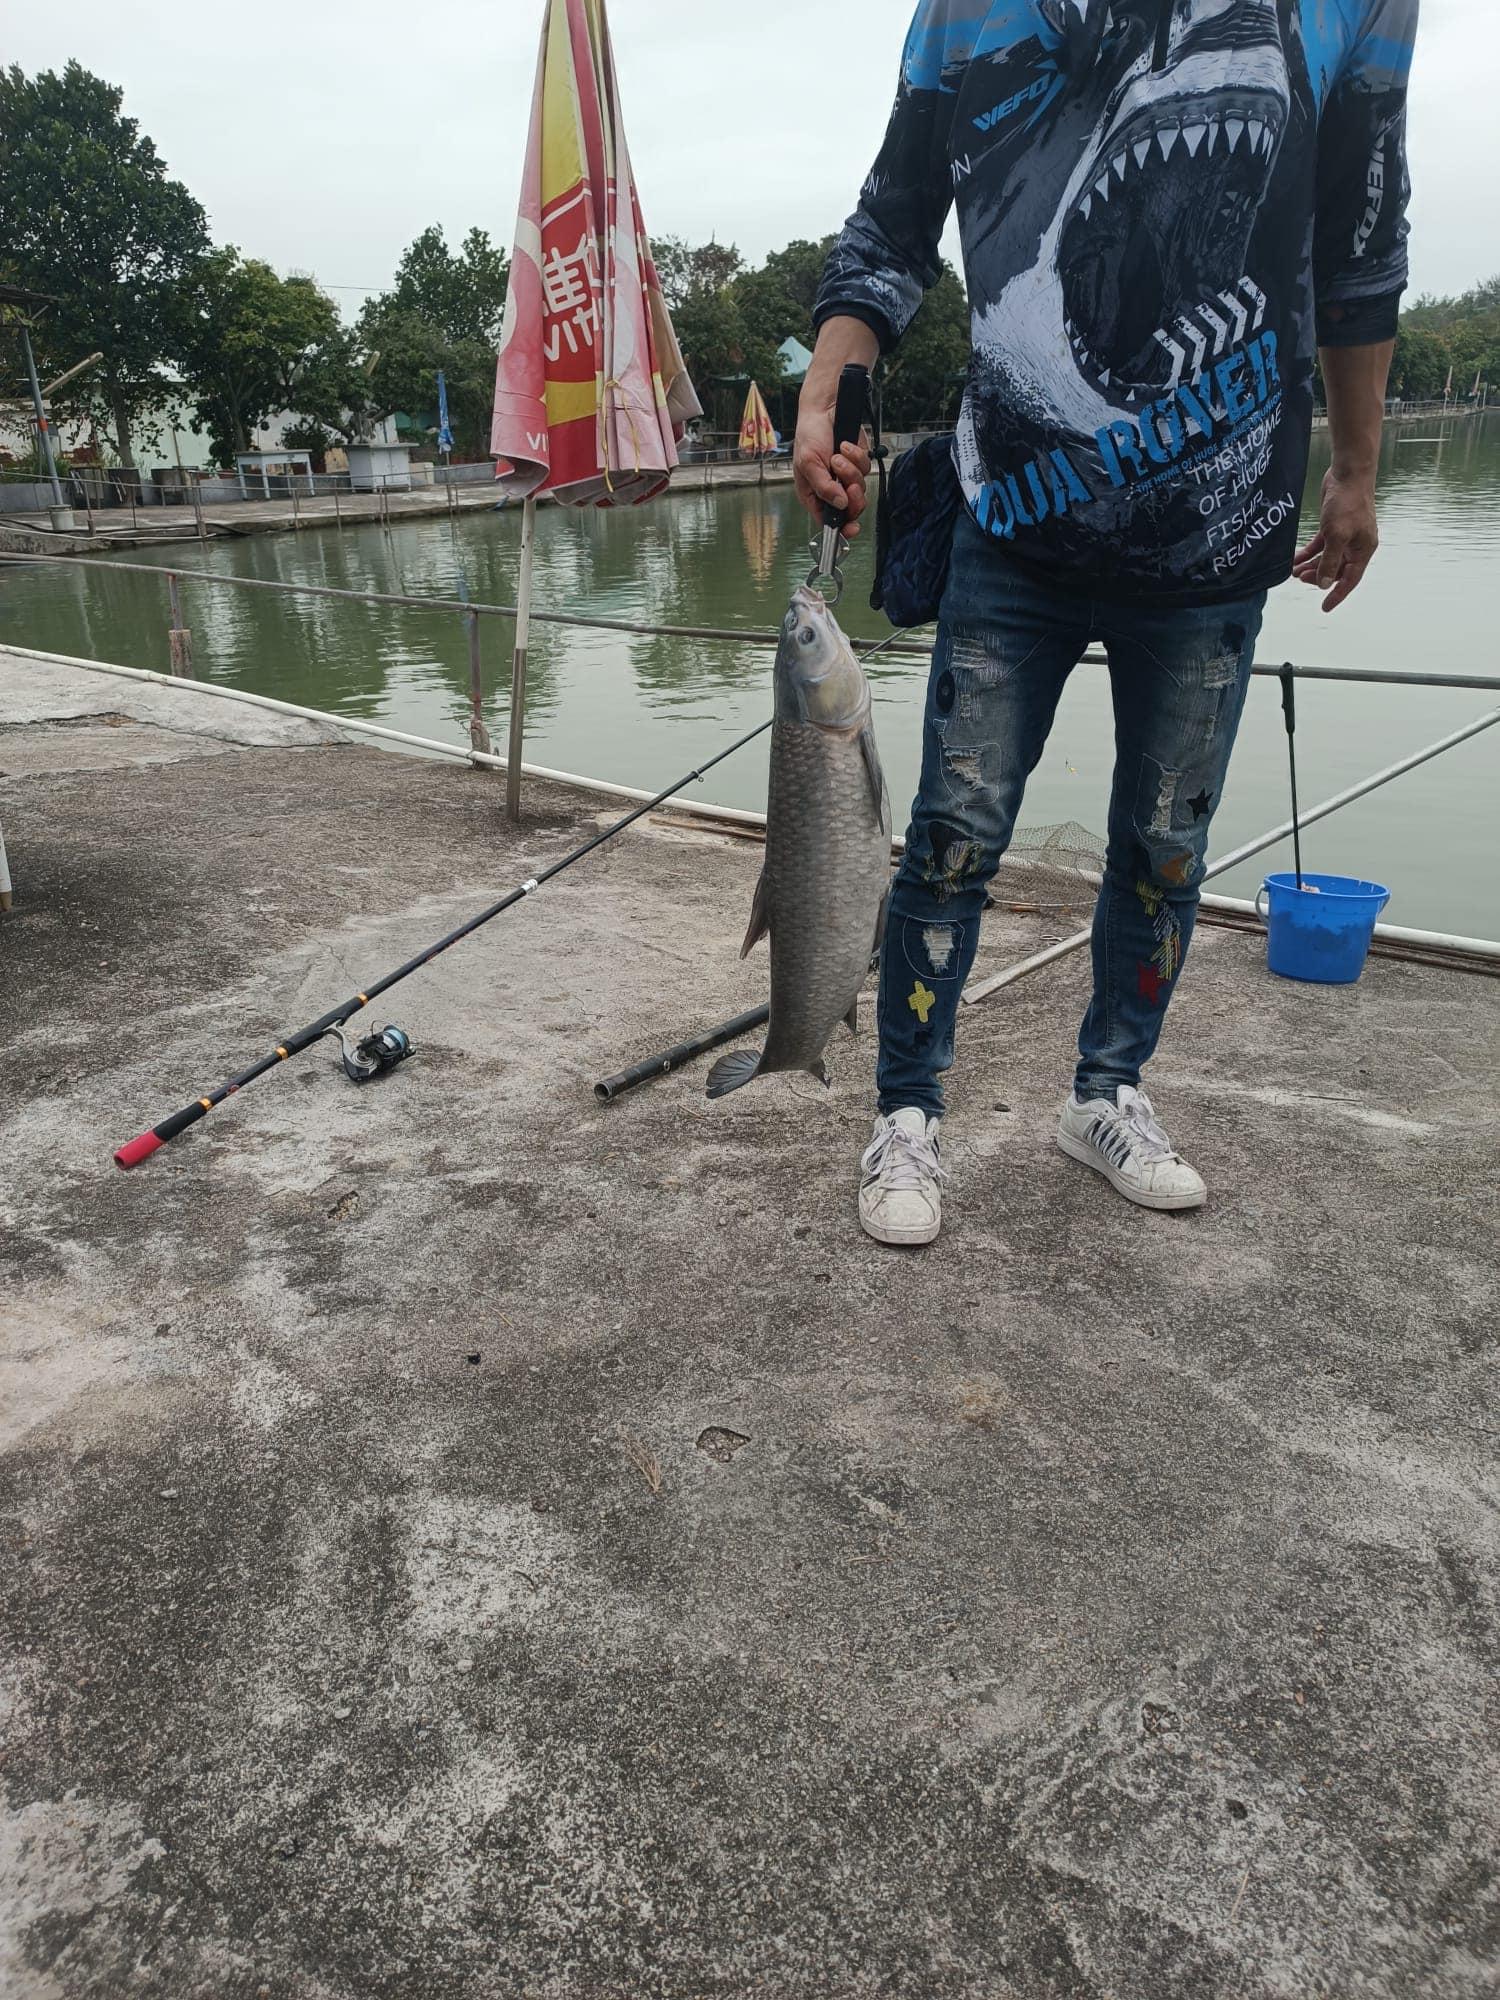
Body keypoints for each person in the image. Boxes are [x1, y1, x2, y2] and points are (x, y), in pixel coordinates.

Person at [793, 0, 1416, 1245]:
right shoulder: (966, 12)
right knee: (950, 835)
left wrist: (1356, 467)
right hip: (1010, 521)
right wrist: (824, 386)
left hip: (1219, 540)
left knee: (1167, 847)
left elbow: (1360, 246)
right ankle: (907, 1110)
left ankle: (1107, 1090)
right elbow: (892, 225)